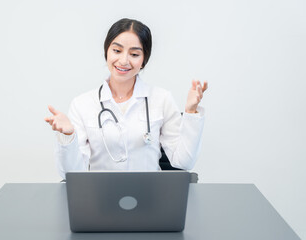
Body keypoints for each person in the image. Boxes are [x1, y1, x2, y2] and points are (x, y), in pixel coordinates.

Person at [45, 18, 208, 179]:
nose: (123, 60)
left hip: (150, 197)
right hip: (100, 198)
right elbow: (72, 173)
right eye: (117, 50)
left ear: (144, 60)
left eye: (134, 54)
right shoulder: (82, 104)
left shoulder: (162, 99)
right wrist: (68, 136)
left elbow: (184, 162)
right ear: (106, 52)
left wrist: (191, 112)